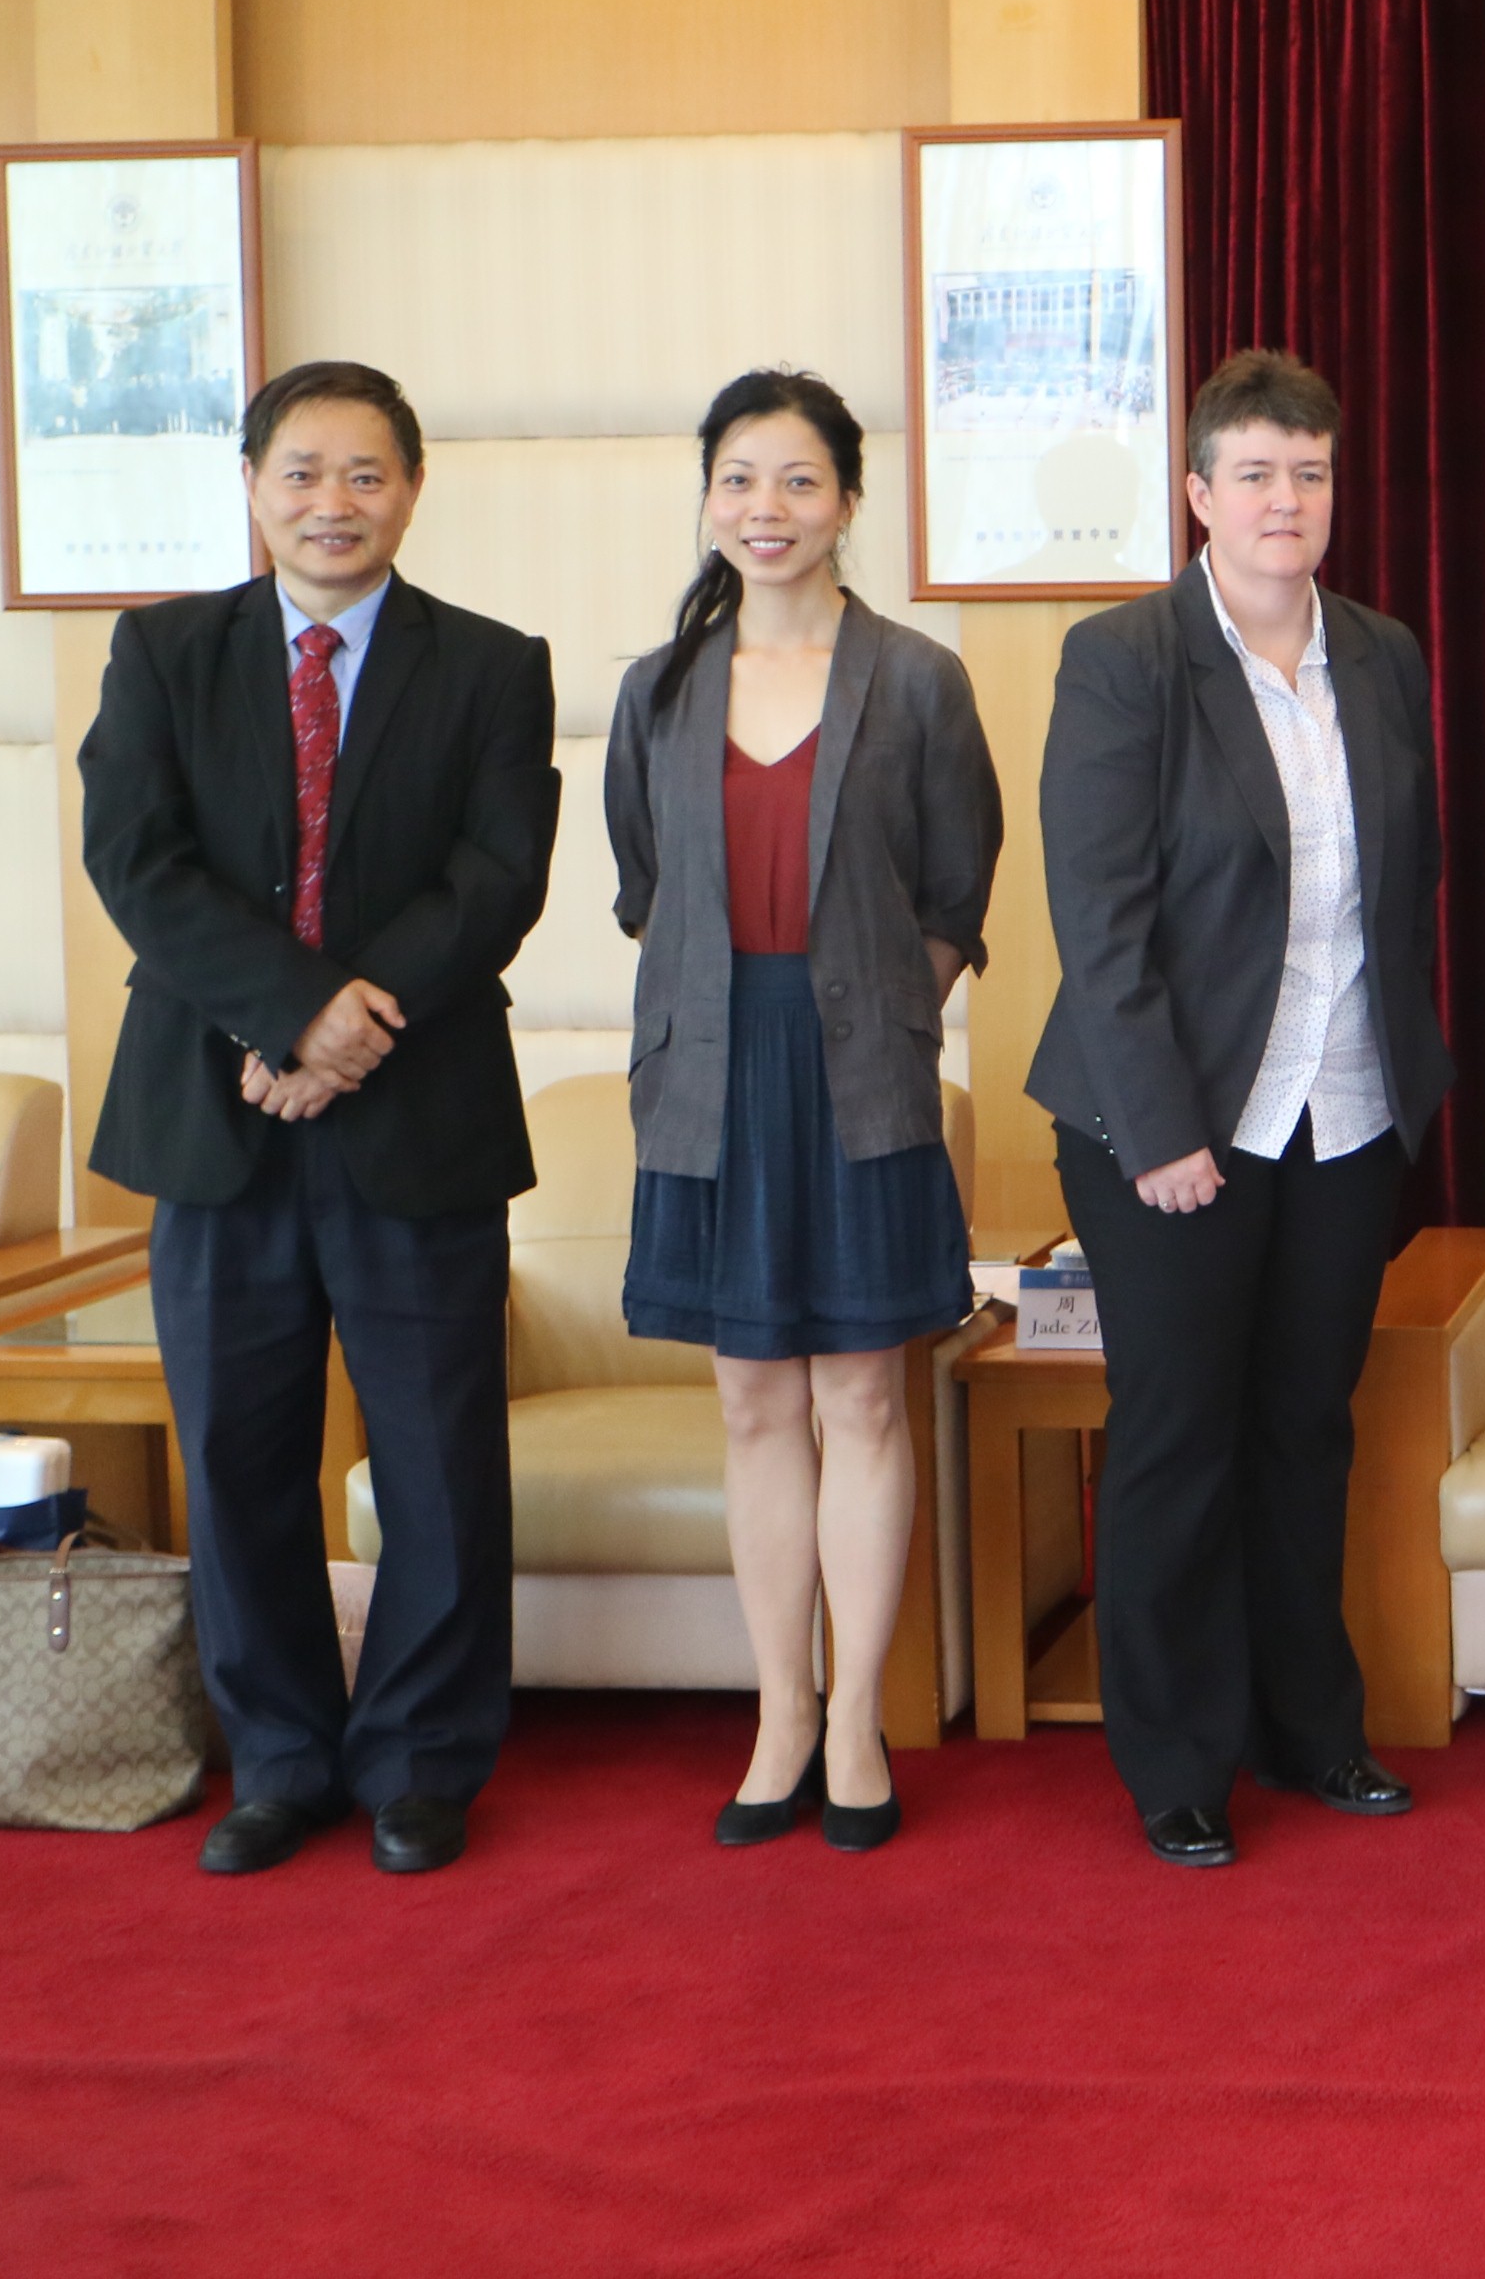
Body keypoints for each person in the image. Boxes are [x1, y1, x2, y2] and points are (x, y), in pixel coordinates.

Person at [79, 360, 558, 1879]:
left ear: (410, 490)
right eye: (301, 472)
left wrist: (354, 1029)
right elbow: (138, 862)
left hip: (416, 1116)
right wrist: (294, 1016)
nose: (331, 502)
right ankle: (280, 1759)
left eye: (364, 474)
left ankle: (420, 1761)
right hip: (216, 1122)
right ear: (251, 486)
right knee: (238, 1459)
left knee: (437, 1462)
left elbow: (497, 876)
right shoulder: (164, 653)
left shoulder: (492, 665)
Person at [1037, 352, 1454, 1869]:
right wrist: (1158, 1129)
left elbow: (1403, 889)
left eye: (1312, 474)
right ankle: (1177, 1760)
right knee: (1177, 1435)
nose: (1288, 500)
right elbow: (1099, 918)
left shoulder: (1384, 655)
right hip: (1169, 1121)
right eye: (1258, 474)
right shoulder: (1126, 658)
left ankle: (1311, 1729)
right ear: (1201, 495)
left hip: (1342, 1109)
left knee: (1304, 1429)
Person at [605, 371, 999, 1855]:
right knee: (754, 1402)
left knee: (864, 1400)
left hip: (858, 1068)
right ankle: (779, 1711)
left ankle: (856, 1720)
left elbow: (958, 891)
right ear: (708, 495)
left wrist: (881, 1010)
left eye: (797, 480)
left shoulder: (918, 679)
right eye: (738, 478)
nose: (764, 508)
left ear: (846, 501)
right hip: (711, 1070)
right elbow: (645, 887)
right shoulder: (657, 687)